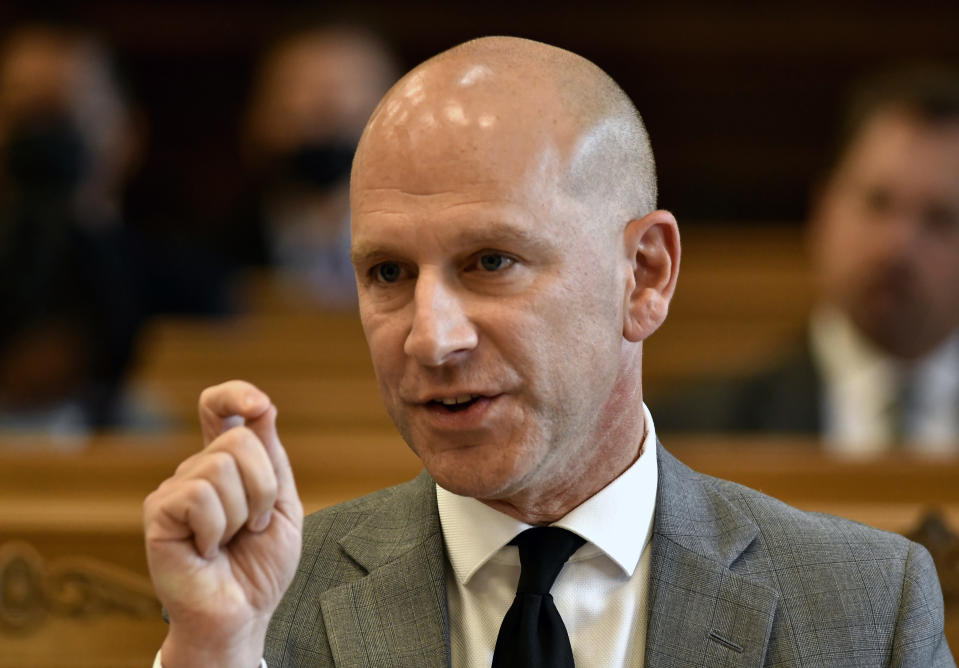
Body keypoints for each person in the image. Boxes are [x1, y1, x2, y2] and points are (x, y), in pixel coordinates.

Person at [144, 38, 954, 666]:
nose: (430, 337)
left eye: (491, 262)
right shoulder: (263, 606)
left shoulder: (862, 605)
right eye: (387, 272)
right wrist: (214, 652)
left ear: (643, 276)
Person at [652, 66, 959, 453]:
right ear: (824, 209)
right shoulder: (689, 440)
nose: (898, 244)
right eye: (877, 203)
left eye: (940, 218)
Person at [227, 25, 398, 310]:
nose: (328, 120)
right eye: (297, 95)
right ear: (258, 118)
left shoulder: (436, 258)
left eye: (353, 92)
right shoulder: (213, 262)